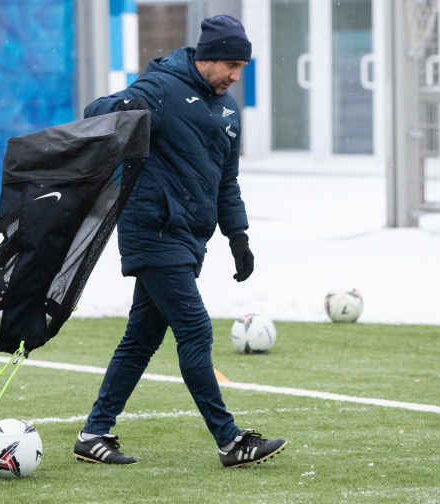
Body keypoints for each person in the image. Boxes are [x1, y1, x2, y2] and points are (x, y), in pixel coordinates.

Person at [73, 14, 286, 468]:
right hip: (153, 230)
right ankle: (230, 441)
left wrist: (238, 235)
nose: (235, 74)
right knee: (195, 329)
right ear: (205, 58)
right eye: (229, 64)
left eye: (241, 67)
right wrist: (122, 105)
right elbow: (97, 113)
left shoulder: (228, 112)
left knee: (141, 338)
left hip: (191, 238)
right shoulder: (162, 88)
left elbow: (226, 182)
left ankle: (93, 434)